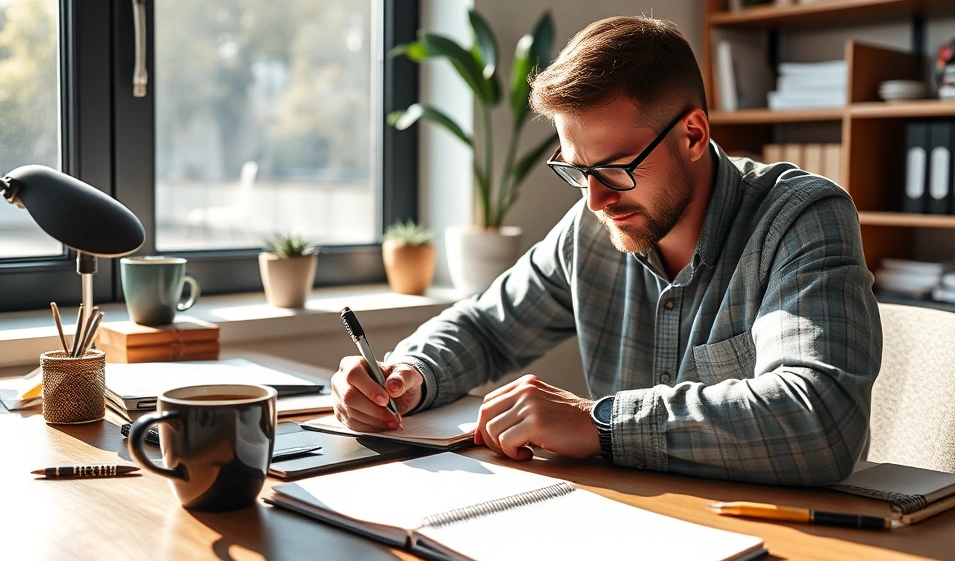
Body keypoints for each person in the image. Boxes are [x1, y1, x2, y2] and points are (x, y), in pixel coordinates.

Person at [332, 15, 882, 486]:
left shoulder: (802, 218)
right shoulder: (592, 230)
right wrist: (407, 376)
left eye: (616, 168)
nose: (595, 199)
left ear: (692, 135)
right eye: (578, 170)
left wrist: (599, 424)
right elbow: (486, 328)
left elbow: (820, 418)